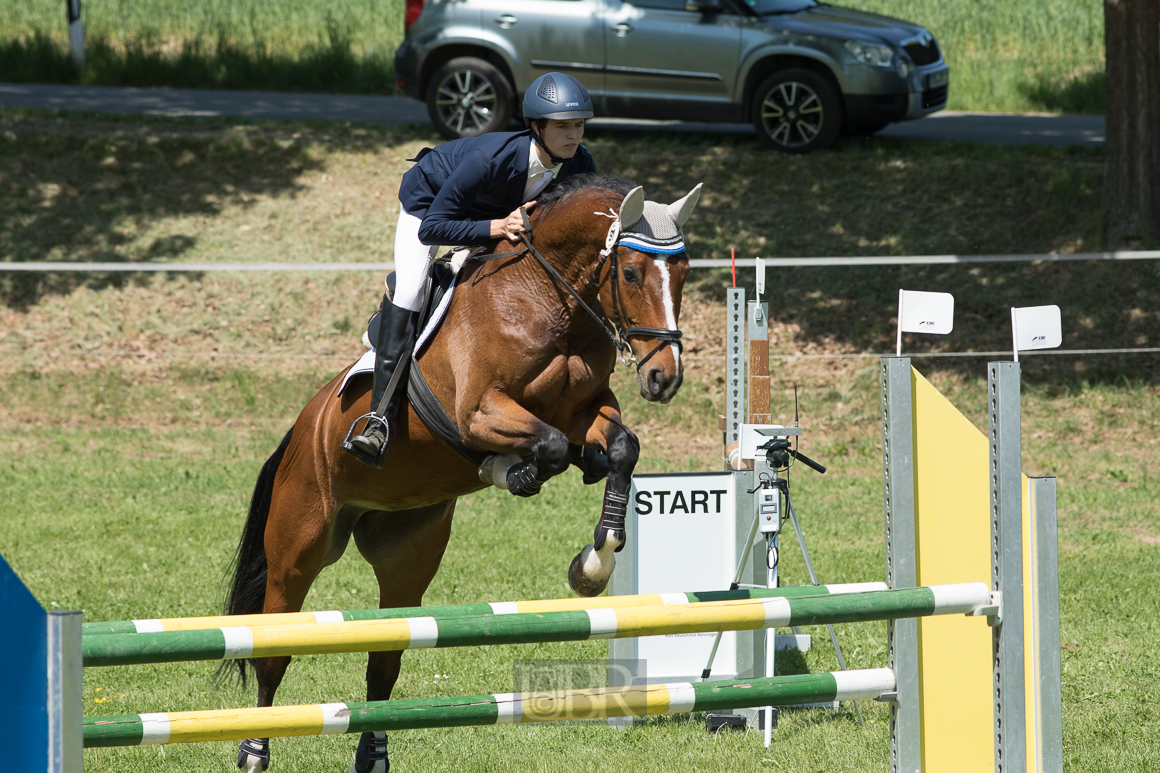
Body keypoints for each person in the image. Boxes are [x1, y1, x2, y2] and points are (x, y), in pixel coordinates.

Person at [345, 72, 598, 466]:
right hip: (430, 207)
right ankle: (378, 420)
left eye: (579, 125)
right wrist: (496, 227)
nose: (573, 135)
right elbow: (434, 226)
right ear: (536, 127)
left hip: (495, 215)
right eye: (562, 126)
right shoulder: (491, 160)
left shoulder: (580, 163)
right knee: (412, 288)